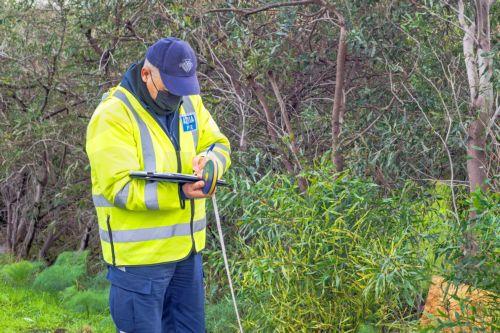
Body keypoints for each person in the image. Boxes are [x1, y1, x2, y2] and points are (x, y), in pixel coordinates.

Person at [85, 37, 231, 333]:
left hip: (187, 257)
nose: (177, 97)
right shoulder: (113, 115)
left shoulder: (189, 101)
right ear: (146, 74)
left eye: (183, 87)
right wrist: (178, 192)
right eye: (170, 88)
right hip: (140, 264)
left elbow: (217, 142)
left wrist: (211, 164)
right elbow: (119, 188)